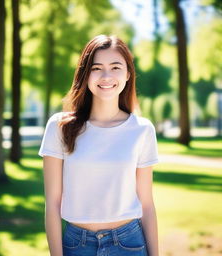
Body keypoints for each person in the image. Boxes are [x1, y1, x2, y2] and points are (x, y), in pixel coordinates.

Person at [39, 34, 159, 256]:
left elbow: (147, 204)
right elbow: (53, 204)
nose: (106, 76)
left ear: (128, 74)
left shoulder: (142, 130)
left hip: (129, 243)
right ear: (85, 74)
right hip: (76, 244)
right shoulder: (59, 126)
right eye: (96, 68)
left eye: (115, 67)